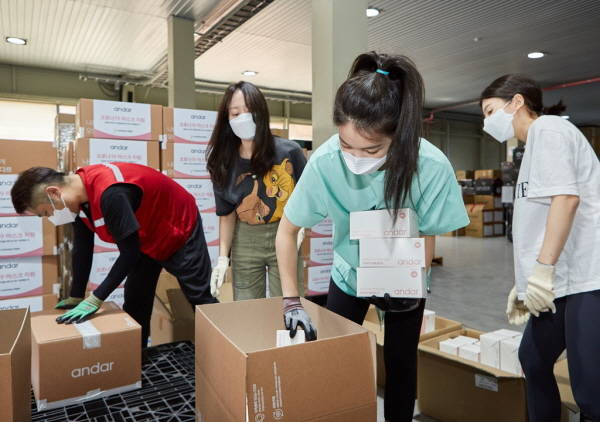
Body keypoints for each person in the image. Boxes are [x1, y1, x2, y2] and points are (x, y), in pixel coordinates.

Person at [275, 52, 469, 422]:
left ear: (398, 136)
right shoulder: (325, 162)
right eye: (347, 145)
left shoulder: (429, 166)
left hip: (404, 277)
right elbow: (288, 230)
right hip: (348, 273)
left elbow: (426, 234)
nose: (355, 159)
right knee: (336, 361)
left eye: (372, 150)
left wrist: (411, 280)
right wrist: (291, 301)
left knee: (400, 366)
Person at [480, 74, 600, 422]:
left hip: (587, 278)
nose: (487, 121)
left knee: (590, 393)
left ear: (516, 102)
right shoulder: (530, 147)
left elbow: (566, 200)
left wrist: (542, 270)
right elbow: (539, 221)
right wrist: (525, 281)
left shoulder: (549, 130)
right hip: (560, 280)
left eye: (489, 111)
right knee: (533, 359)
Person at [11, 163, 217, 347]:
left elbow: (129, 253)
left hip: (177, 226)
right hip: (143, 235)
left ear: (54, 193)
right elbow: (82, 247)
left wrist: (96, 298)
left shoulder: (111, 193)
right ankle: (134, 360)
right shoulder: (78, 201)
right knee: (136, 299)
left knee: (199, 297)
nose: (50, 218)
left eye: (46, 213)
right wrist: (76, 294)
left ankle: (226, 356)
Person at [206, 81, 306, 301]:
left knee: (289, 303)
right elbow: (226, 214)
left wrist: (300, 228)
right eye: (235, 113)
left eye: (249, 111)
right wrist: (223, 258)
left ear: (261, 113)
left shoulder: (289, 152)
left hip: (285, 232)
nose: (243, 118)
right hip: (246, 239)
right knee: (247, 307)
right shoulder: (222, 161)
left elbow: (307, 197)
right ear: (227, 118)